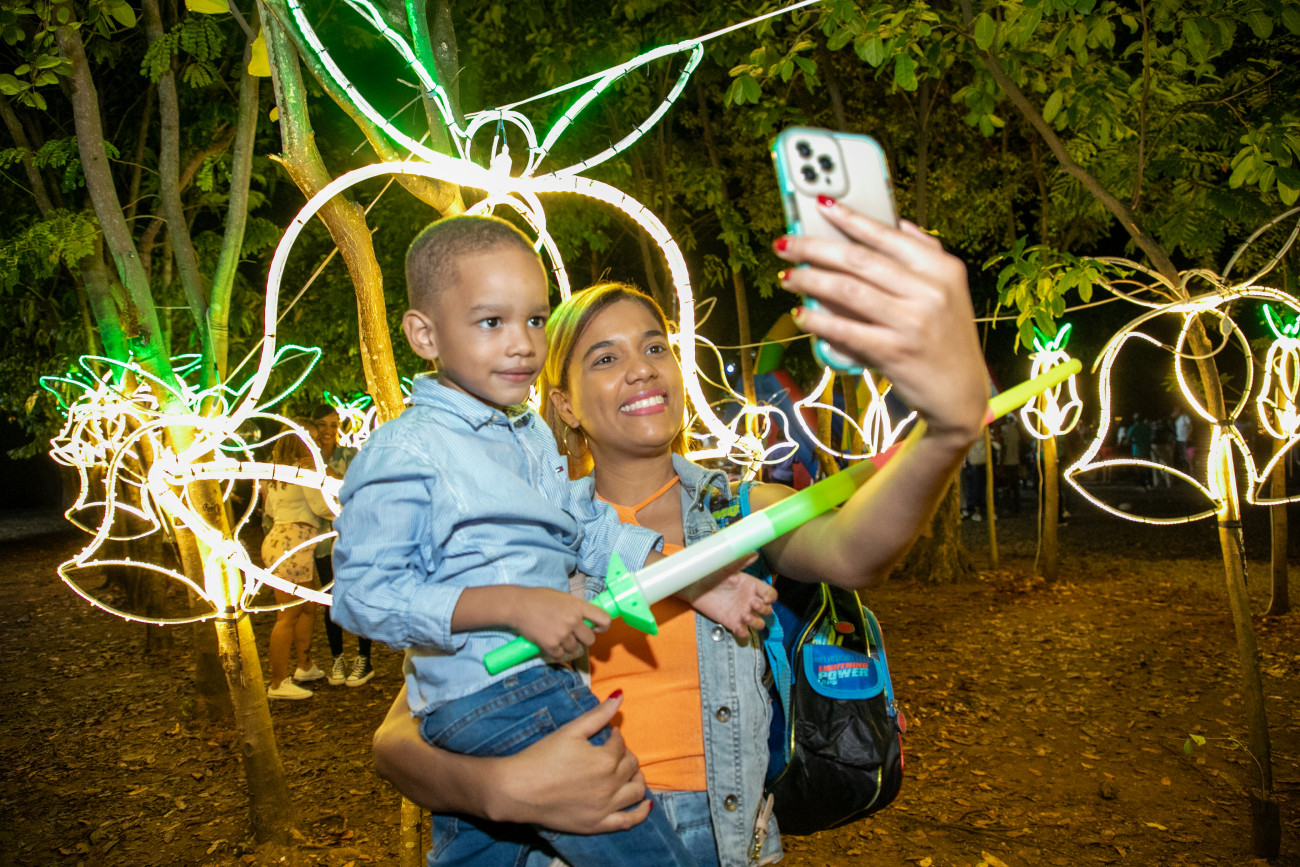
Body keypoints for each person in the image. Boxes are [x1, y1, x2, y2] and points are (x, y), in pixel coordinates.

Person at [370, 201, 988, 866]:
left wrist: (944, 434)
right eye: (605, 357)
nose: (641, 367)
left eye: (655, 346)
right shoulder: (520, 530)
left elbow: (854, 552)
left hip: (721, 843)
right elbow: (398, 739)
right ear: (565, 405)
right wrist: (505, 790)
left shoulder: (741, 512)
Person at [330, 215, 774, 867]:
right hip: (491, 698)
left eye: (535, 320)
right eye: (492, 322)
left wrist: (698, 582)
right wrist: (516, 605)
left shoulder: (530, 437)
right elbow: (362, 596)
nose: (522, 345)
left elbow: (587, 528)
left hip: (535, 685)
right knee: (635, 832)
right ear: (424, 334)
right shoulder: (407, 451)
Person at [261, 418, 334, 699]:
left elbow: (270, 509)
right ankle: (278, 683)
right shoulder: (303, 470)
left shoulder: (276, 472)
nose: (316, 443)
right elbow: (322, 507)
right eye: (311, 438)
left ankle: (305, 665)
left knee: (306, 608)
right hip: (293, 544)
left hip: (282, 541)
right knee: (288, 615)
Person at [309, 403, 372, 687]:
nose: (328, 431)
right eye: (322, 425)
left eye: (333, 425)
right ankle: (337, 659)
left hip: (351, 537)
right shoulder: (306, 459)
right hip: (320, 541)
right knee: (331, 599)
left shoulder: (350, 456)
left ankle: (364, 659)